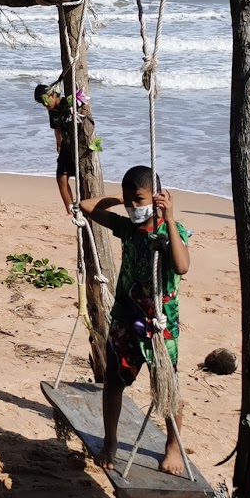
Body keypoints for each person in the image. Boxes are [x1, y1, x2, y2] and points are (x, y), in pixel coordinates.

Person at [81, 167, 192, 477]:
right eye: (130, 201)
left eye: (139, 200)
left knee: (166, 385)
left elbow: (182, 266)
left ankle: (173, 445)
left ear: (157, 198)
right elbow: (86, 207)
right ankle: (111, 441)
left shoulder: (171, 231)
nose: (133, 207)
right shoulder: (130, 227)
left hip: (159, 321)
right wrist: (120, 199)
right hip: (127, 315)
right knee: (115, 380)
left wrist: (168, 218)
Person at [35, 81, 94, 215]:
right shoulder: (52, 111)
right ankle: (71, 209)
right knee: (61, 176)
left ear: (52, 95)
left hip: (81, 146)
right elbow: (57, 128)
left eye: (44, 100)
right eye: (40, 102)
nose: (44, 105)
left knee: (84, 178)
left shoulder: (67, 104)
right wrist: (58, 142)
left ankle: (88, 206)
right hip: (66, 146)